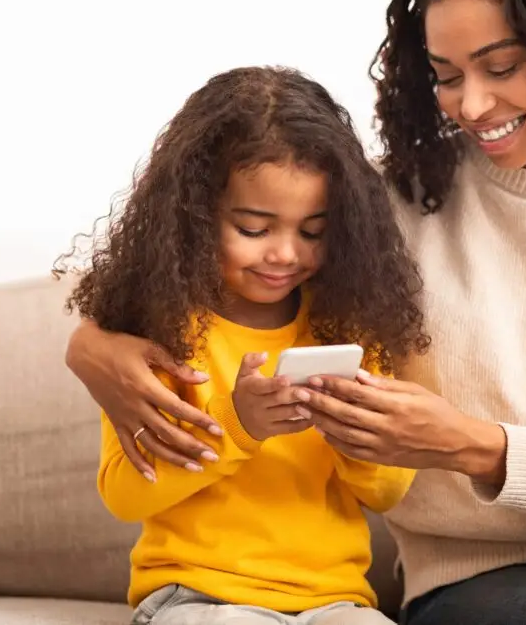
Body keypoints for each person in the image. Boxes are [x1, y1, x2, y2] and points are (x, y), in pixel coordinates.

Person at [64, 0, 526, 624]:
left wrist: (467, 443)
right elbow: (209, 250)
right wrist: (91, 345)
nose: (470, 103)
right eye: (446, 74)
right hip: (480, 575)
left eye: (500, 66)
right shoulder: (396, 200)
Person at [57, 65, 432, 625]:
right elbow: (125, 495)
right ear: (193, 216)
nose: (285, 253)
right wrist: (237, 426)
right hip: (197, 596)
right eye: (255, 229)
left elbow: (386, 494)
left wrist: (353, 434)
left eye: (312, 231)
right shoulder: (159, 336)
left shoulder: (347, 331)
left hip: (333, 601)